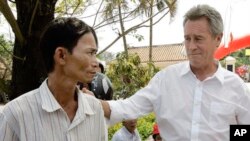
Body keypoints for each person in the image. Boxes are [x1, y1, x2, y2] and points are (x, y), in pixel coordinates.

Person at [101, 4, 250, 141]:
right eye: (187, 39)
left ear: (217, 39)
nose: (191, 46)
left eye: (198, 39)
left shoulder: (236, 87)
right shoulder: (166, 80)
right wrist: (92, 104)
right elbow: (129, 107)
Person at [0, 17, 107, 141]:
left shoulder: (95, 109)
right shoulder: (14, 115)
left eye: (95, 54)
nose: (95, 63)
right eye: (90, 53)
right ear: (61, 55)